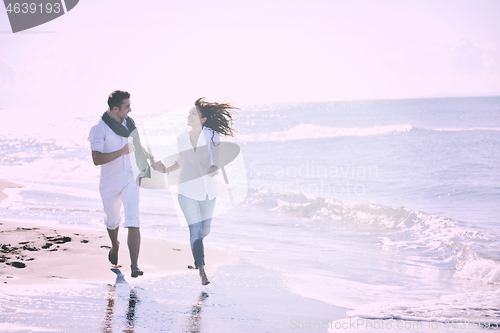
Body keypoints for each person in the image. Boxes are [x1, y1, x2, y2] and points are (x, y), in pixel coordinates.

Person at [155, 97, 237, 285]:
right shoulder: (181, 138)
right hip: (187, 188)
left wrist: (214, 167)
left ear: (203, 119)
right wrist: (166, 169)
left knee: (204, 230)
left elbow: (215, 158)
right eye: (189, 112)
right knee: (195, 230)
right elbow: (181, 162)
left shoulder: (211, 135)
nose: (189, 115)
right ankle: (201, 268)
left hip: (208, 190)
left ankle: (197, 252)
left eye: (194, 113)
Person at [88, 90, 155, 278]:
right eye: (127, 106)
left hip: (129, 178)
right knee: (112, 220)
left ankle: (134, 265)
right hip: (109, 183)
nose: (130, 109)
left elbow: (137, 146)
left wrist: (152, 160)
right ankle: (114, 244)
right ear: (115, 108)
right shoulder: (99, 128)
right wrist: (121, 151)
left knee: (133, 219)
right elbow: (96, 159)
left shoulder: (129, 123)